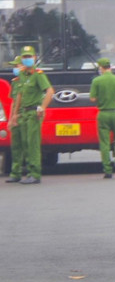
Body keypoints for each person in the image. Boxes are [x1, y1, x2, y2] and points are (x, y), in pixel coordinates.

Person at [10, 45, 53, 185]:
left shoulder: (38, 75)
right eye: (24, 57)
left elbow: (50, 91)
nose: (27, 59)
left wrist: (42, 107)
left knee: (33, 143)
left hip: (34, 112)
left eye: (29, 56)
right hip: (24, 112)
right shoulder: (22, 75)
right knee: (25, 143)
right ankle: (29, 172)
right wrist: (15, 114)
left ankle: (34, 173)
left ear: (35, 58)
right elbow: (20, 95)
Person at [89, 57, 115, 179]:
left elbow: (93, 99)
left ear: (101, 67)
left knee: (104, 142)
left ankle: (107, 170)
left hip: (103, 114)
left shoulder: (97, 81)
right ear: (110, 67)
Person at [5, 57, 25, 183]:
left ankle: (33, 172)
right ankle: (15, 172)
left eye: (17, 65)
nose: (16, 68)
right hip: (17, 116)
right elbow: (13, 101)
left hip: (26, 114)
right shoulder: (15, 81)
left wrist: (17, 114)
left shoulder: (30, 79)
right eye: (15, 66)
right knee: (15, 146)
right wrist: (11, 118)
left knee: (28, 145)